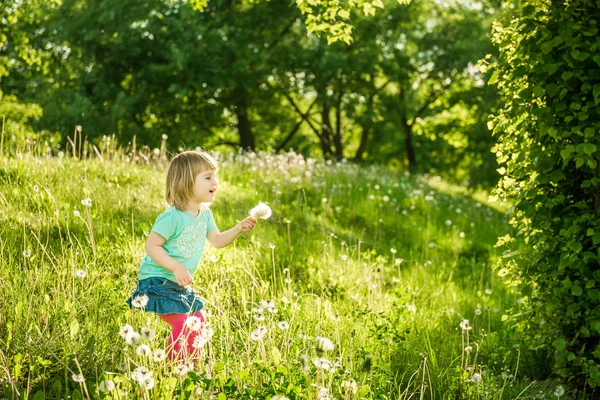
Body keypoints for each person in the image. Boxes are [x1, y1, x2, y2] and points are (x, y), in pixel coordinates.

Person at [126, 150, 256, 360]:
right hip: (157, 280)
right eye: (207, 177)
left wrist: (239, 228)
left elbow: (217, 240)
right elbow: (152, 246)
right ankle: (175, 368)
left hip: (177, 283)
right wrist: (176, 267)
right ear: (186, 182)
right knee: (183, 323)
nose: (215, 181)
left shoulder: (205, 214)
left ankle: (192, 364)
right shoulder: (172, 217)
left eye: (215, 176)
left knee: (198, 319)